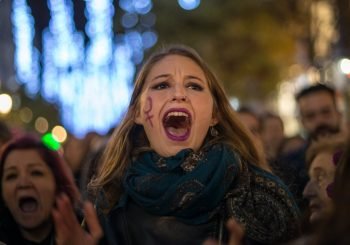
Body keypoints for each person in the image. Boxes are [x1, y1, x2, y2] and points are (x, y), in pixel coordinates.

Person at [53, 45, 300, 245]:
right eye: (162, 85)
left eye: (194, 86)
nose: (179, 94)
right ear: (138, 113)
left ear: (215, 114)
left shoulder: (262, 198)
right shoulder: (108, 204)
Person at [0, 134, 99, 244]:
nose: (23, 183)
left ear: (57, 184)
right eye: (12, 176)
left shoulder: (86, 231)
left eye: (36, 173)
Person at [276, 83, 344, 212]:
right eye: (310, 116)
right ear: (302, 121)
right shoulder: (287, 167)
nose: (320, 121)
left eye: (326, 112)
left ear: (338, 113)